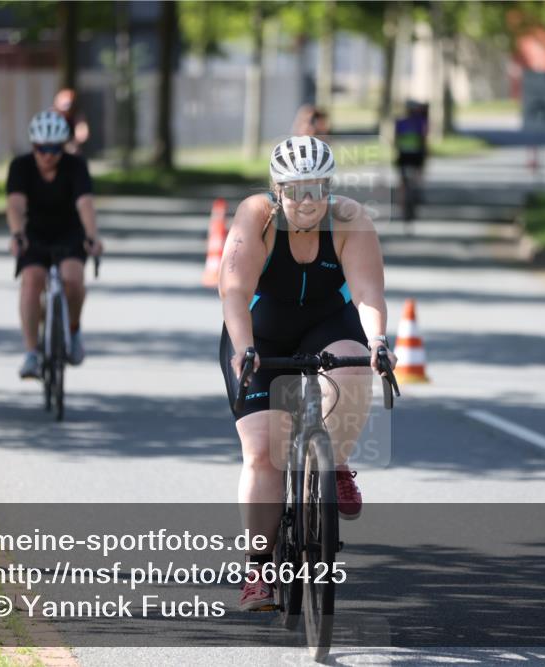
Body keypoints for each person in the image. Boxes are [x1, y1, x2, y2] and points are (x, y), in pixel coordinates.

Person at [218, 136, 397, 611]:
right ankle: (258, 569)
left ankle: (334, 461)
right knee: (262, 452)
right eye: (294, 189)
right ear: (277, 191)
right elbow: (234, 292)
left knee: (354, 370)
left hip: (325, 324)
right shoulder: (255, 217)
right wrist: (244, 350)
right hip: (261, 332)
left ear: (329, 187)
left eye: (316, 188)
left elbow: (367, 295)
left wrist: (378, 342)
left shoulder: (349, 218)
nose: (306, 200)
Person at [7, 110, 103, 379]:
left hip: (69, 233)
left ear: (63, 147)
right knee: (31, 280)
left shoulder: (76, 166)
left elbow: (85, 203)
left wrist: (92, 236)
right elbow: (14, 204)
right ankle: (31, 353)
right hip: (34, 233)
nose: (48, 155)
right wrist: (17, 234)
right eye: (41, 148)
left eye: (54, 149)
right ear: (33, 146)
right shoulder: (20, 166)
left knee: (73, 279)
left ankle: (72, 331)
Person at [394, 100, 428, 224]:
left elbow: (396, 140)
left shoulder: (400, 122)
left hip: (403, 155)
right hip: (416, 155)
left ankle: (401, 206)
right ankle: (418, 190)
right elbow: (424, 139)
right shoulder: (421, 121)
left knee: (402, 182)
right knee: (418, 175)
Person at [53, 88, 91, 155]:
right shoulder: (51, 116)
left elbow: (82, 134)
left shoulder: (77, 115)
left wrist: (72, 144)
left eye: (67, 105)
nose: (65, 111)